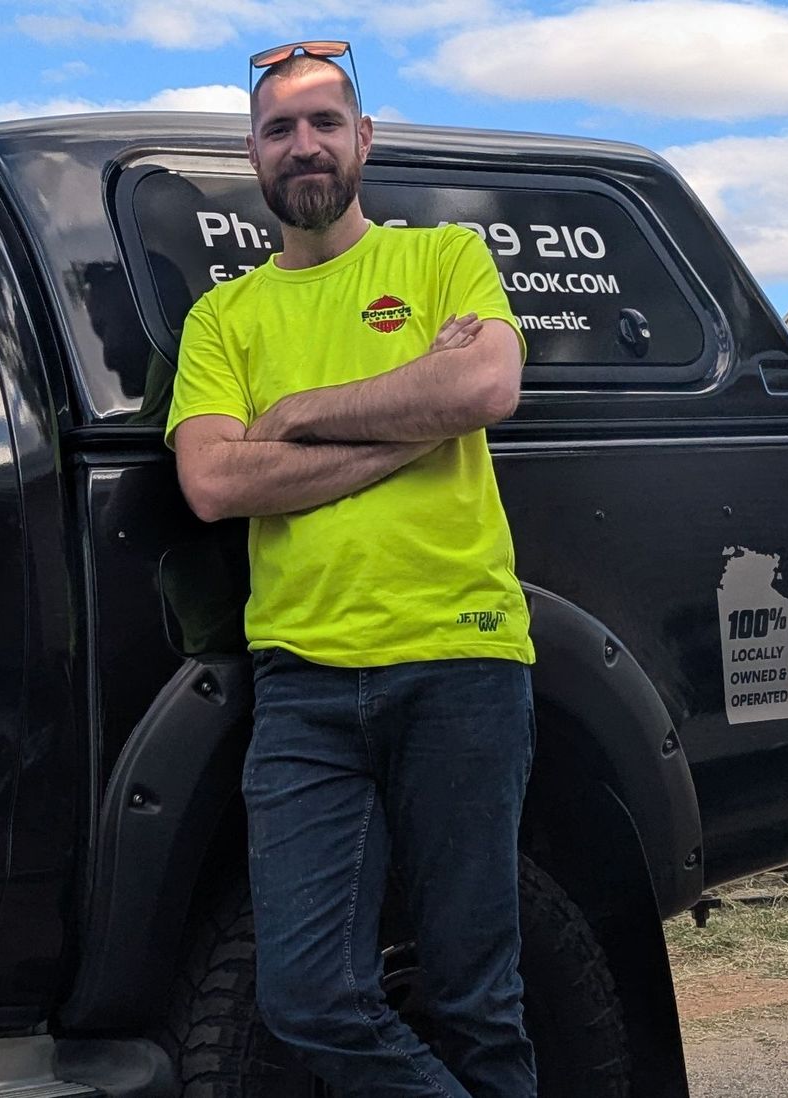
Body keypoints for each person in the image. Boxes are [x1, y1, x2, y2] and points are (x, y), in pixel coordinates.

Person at [165, 45, 538, 1098]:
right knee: (308, 995)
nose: (305, 144)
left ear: (363, 139)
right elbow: (210, 481)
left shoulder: (443, 259)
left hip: (460, 658)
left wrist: (298, 415)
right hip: (304, 686)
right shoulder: (223, 319)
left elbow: (489, 384)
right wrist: (417, 413)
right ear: (253, 154)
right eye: (281, 129)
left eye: (325, 122)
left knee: (477, 993)